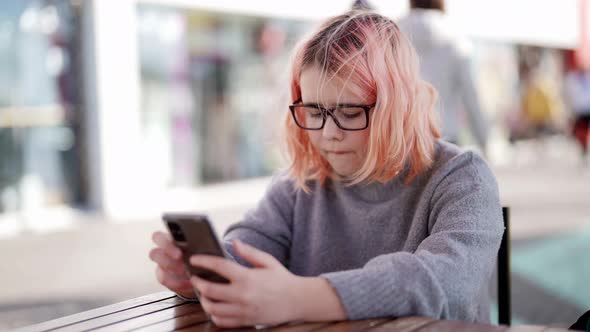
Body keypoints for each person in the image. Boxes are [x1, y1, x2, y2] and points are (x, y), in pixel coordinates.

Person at [149, 10, 503, 328]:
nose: (327, 133)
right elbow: (248, 246)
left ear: (399, 106)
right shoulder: (299, 184)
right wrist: (207, 273)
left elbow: (444, 281)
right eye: (314, 112)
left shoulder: (462, 178)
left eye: (349, 112)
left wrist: (298, 297)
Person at [398, 0, 489, 154]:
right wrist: (484, 140)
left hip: (403, 141)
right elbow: (470, 95)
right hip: (447, 137)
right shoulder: (455, 38)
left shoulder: (393, 33)